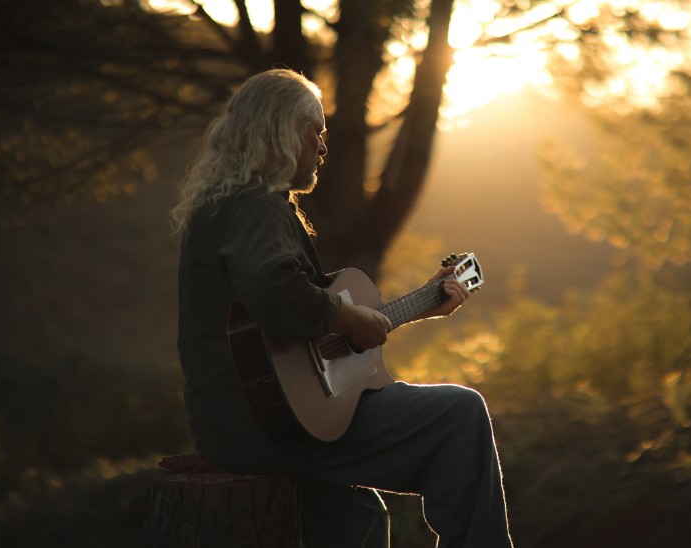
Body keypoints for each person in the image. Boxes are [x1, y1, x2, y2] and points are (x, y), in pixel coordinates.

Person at [170, 69, 514, 548]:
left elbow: (297, 332)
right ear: (280, 129)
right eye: (316, 132)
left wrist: (418, 306)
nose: (323, 147)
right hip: (269, 429)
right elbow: (275, 290)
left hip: (243, 427)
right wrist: (346, 317)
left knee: (360, 519)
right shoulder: (253, 206)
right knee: (461, 414)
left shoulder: (236, 204)